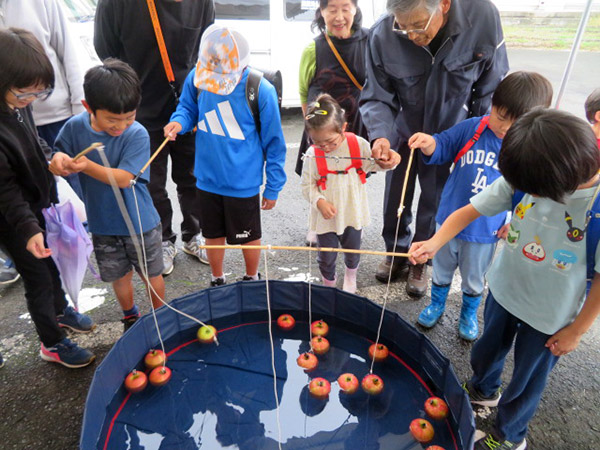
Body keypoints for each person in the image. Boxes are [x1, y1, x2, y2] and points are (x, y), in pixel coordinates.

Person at [409, 109, 600, 450]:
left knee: (528, 378)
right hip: (504, 289)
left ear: (557, 181)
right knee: (487, 349)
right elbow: (470, 210)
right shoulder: (528, 175)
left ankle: (511, 435)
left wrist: (577, 330)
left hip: (551, 316)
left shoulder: (593, 207)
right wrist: (435, 242)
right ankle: (483, 389)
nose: (523, 193)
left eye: (532, 190)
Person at [360, 0, 509, 297]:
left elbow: (491, 86)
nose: (412, 36)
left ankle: (421, 258)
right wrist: (380, 137)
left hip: (451, 132)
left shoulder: (483, 17)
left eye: (418, 26)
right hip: (402, 131)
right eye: (403, 28)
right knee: (395, 197)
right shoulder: (382, 33)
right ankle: (396, 251)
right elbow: (377, 95)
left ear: (443, 3)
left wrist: (477, 139)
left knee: (436, 197)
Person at [407, 71, 553, 340]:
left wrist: (513, 221)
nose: (505, 127)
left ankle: (468, 313)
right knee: (440, 268)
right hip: (448, 220)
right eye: (500, 116)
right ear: (492, 104)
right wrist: (429, 143)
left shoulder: (526, 150)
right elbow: (443, 145)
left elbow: (528, 195)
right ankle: (436, 303)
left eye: (515, 122)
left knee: (474, 278)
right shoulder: (472, 128)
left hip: (485, 230)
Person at [94, 0, 215, 276]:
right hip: (139, 108)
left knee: (193, 176)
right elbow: (105, 49)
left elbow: (207, 46)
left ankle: (194, 234)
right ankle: (162, 240)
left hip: (188, 103)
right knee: (150, 183)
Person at [0, 28, 95, 369]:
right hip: (13, 220)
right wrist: (28, 230)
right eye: (26, 93)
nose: (31, 100)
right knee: (37, 277)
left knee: (52, 264)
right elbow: (5, 190)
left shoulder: (17, 105)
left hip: (38, 206)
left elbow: (33, 140)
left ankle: (60, 310)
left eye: (38, 93)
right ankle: (51, 342)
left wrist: (50, 157)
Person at [164, 25, 287, 286]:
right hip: (206, 177)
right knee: (212, 234)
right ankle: (216, 279)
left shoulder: (260, 90)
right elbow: (187, 107)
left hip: (243, 183)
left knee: (249, 235)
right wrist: (179, 122)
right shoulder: (198, 77)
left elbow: (275, 144)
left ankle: (252, 277)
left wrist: (273, 187)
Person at [50, 59, 165, 332]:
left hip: (141, 224)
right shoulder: (75, 127)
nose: (122, 125)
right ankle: (130, 316)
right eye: (113, 119)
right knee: (119, 276)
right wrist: (58, 161)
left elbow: (125, 179)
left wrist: (86, 166)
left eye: (129, 116)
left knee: (151, 275)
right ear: (88, 107)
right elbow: (58, 151)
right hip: (103, 224)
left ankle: (162, 318)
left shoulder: (136, 134)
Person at [301, 93, 400, 292]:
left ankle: (350, 276)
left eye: (330, 141)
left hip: (353, 213)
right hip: (325, 218)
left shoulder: (358, 145)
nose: (325, 148)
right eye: (318, 143)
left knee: (353, 251)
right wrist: (319, 201)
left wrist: (390, 161)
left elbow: (376, 165)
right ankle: (329, 282)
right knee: (326, 256)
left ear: (343, 128)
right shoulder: (313, 154)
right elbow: (306, 186)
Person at [296, 0, 369, 246]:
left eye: (345, 8)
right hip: (320, 125)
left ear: (355, 9)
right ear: (322, 11)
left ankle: (347, 222)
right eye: (332, 9)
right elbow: (304, 92)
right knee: (318, 176)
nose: (339, 16)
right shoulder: (312, 49)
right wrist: (311, 129)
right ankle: (316, 224)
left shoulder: (369, 42)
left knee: (348, 177)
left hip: (351, 124)